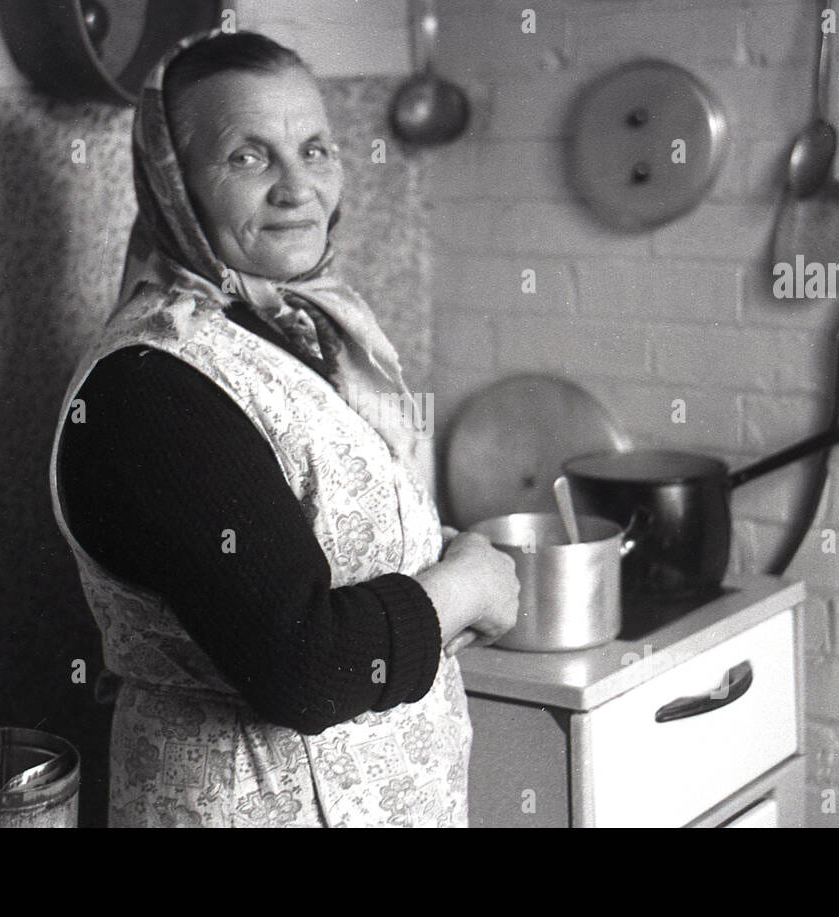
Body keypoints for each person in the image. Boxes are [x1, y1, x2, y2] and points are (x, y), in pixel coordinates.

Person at [48, 28, 518, 827]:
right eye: (248, 156)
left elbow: (321, 528)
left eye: (316, 149)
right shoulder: (152, 385)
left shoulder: (299, 324)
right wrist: (465, 584)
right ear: (175, 185)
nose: (298, 188)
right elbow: (306, 663)